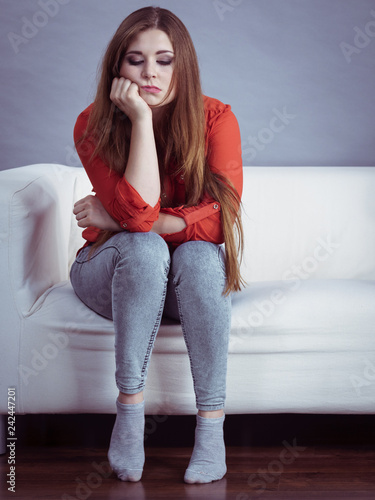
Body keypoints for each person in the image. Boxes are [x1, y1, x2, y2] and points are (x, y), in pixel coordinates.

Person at [70, 6, 243, 484]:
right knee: (144, 250)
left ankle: (211, 430)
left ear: (182, 64)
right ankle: (129, 410)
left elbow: (218, 223)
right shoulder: (93, 123)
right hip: (109, 272)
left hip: (184, 280)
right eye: (135, 60)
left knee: (202, 257)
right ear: (117, 68)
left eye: (164, 60)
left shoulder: (216, 119)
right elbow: (138, 224)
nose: (150, 73)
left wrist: (126, 217)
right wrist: (141, 121)